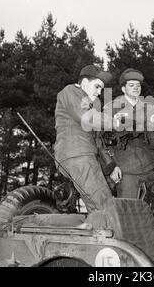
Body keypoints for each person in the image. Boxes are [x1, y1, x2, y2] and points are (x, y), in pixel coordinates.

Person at [54, 64, 121, 213]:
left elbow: (97, 140)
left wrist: (111, 166)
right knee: (105, 205)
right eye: (97, 87)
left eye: (102, 89)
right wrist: (114, 121)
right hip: (78, 154)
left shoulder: (92, 105)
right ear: (84, 83)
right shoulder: (71, 91)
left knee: (96, 208)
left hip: (83, 156)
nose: (99, 92)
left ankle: (97, 232)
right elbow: (87, 118)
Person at [104, 68, 154, 199]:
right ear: (123, 89)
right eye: (131, 85)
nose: (136, 88)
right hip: (125, 169)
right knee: (128, 209)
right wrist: (111, 166)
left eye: (138, 85)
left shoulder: (149, 108)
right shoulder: (112, 108)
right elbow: (103, 141)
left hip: (150, 166)